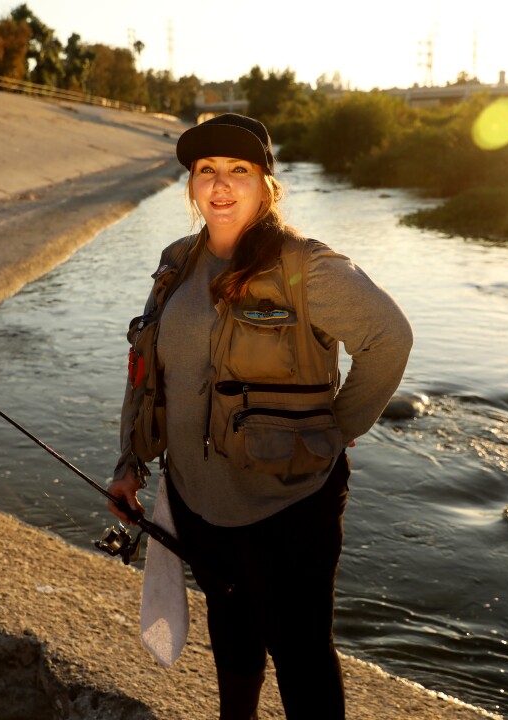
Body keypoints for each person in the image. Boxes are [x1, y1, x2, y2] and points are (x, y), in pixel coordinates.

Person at [107, 113, 413, 719]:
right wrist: (128, 464)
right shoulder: (174, 263)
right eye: (206, 171)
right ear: (192, 185)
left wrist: (336, 431)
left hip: (289, 509)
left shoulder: (307, 267)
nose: (220, 185)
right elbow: (145, 373)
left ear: (266, 184)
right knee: (232, 637)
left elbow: (389, 338)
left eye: (238, 171)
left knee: (302, 657)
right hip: (198, 506)